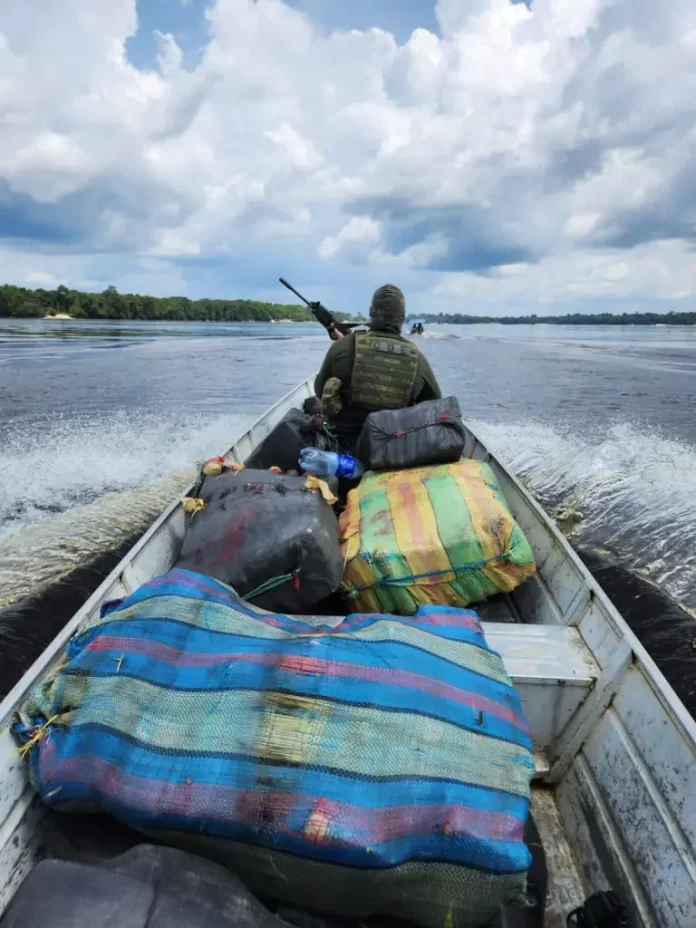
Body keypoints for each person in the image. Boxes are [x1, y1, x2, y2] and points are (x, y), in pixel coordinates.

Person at [314, 284, 442, 453]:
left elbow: (319, 390)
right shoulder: (417, 359)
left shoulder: (342, 346)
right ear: (402, 318)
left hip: (343, 450)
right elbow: (435, 407)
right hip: (393, 454)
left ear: (370, 312)